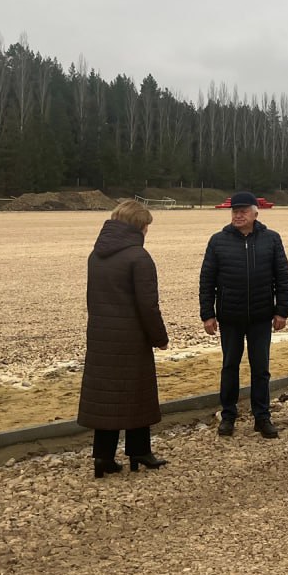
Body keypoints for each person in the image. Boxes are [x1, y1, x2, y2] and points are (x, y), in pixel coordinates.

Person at [77, 199, 171, 479]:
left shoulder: (96, 256)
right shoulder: (138, 257)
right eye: (146, 226)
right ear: (139, 226)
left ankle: (103, 456)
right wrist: (160, 337)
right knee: (137, 395)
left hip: (102, 336)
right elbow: (148, 306)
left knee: (107, 396)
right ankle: (139, 451)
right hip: (131, 338)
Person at [199, 191, 288, 438]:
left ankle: (262, 417)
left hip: (261, 317)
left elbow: (282, 277)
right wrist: (207, 314)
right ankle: (228, 416)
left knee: (260, 368)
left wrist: (282, 310)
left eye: (243, 211)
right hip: (230, 317)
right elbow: (207, 280)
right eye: (234, 211)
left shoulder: (271, 239)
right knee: (230, 366)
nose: (238, 215)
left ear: (255, 213)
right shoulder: (218, 241)